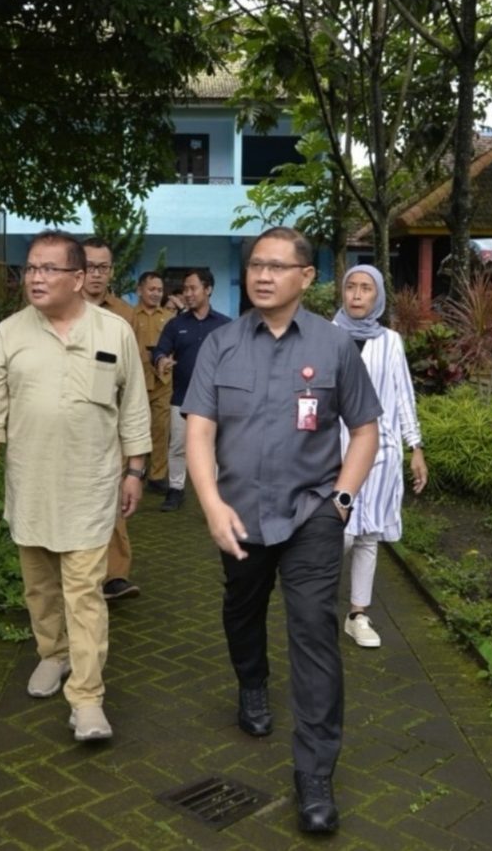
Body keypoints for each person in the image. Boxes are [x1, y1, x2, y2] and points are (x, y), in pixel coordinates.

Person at [183, 227, 381, 834]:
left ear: (305, 276)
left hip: (311, 515)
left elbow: (366, 428)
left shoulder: (336, 345)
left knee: (315, 635)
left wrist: (343, 499)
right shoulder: (220, 344)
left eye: (276, 265)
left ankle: (315, 774)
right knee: (242, 609)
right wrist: (211, 505)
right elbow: (198, 431)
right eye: (254, 265)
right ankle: (252, 684)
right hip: (238, 513)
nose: (262, 275)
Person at [0, 230, 151, 742]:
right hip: (30, 487)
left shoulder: (114, 332)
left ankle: (88, 700)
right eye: (30, 268)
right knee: (40, 587)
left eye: (49, 269)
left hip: (92, 489)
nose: (36, 277)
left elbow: (134, 406)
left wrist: (135, 470)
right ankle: (53, 653)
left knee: (85, 594)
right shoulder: (8, 335)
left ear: (78, 278)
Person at [335, 265, 428, 649]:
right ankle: (317, 605)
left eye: (366, 289)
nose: (357, 295)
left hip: (381, 451)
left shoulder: (390, 341)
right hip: (334, 452)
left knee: (368, 534)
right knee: (335, 533)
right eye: (351, 287)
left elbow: (403, 394)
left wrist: (415, 447)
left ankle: (358, 613)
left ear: (378, 298)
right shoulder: (324, 336)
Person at [81, 236, 139, 601]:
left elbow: (135, 380)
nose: (96, 275)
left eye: (103, 267)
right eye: (90, 267)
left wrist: (137, 457)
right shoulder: (58, 311)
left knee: (112, 500)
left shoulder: (124, 315)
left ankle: (114, 575)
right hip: (70, 424)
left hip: (112, 423)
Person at [153, 269, 230, 512]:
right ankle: (176, 490)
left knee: (217, 448)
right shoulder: (175, 325)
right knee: (178, 446)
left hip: (216, 400)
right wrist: (162, 359)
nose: (187, 294)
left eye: (192, 288)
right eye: (185, 289)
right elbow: (159, 350)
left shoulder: (225, 325)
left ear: (208, 289)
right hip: (182, 397)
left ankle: (217, 496)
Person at [131, 272, 174, 493]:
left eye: (159, 290)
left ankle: (158, 477)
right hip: (136, 382)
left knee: (160, 429)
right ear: (140, 290)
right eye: (151, 289)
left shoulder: (169, 318)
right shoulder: (129, 316)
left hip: (162, 382)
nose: (156, 293)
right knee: (136, 429)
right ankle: (135, 472)